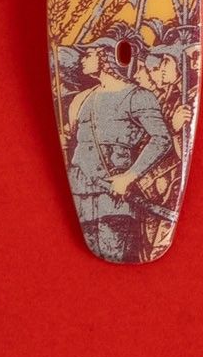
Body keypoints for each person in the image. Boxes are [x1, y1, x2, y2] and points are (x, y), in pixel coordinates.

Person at [59, 39, 175, 261]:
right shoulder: (81, 100)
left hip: (115, 195)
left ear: (105, 56)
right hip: (81, 191)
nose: (83, 60)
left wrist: (128, 177)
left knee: (115, 253)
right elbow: (70, 139)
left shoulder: (138, 97)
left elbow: (161, 139)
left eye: (89, 54)